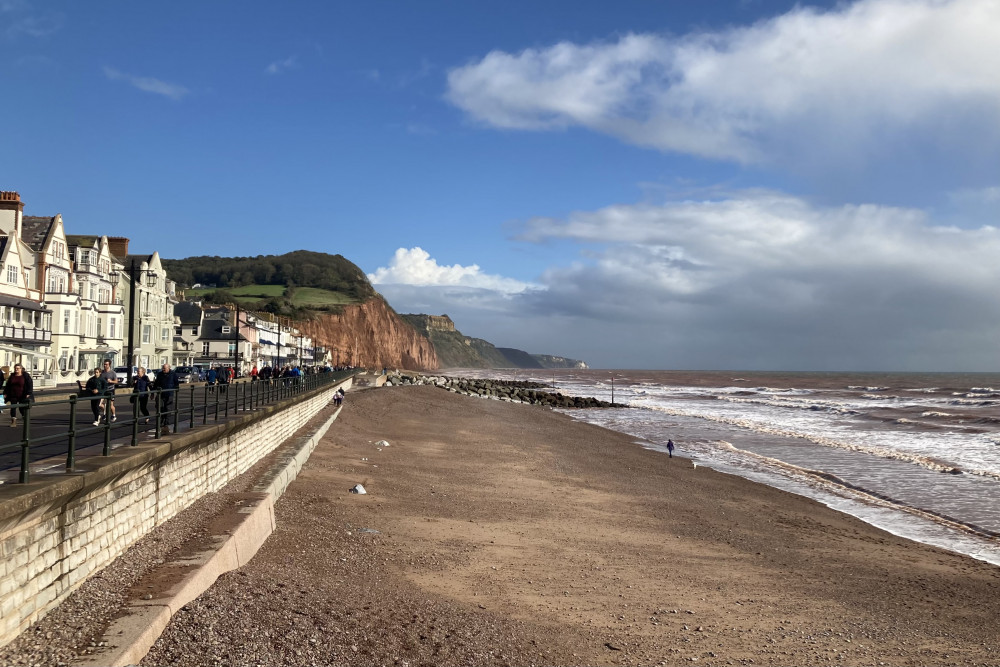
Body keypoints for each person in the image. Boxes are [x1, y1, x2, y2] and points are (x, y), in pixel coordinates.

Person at [3, 363, 34, 427]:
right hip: (13, 395)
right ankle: (13, 422)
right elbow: (8, 385)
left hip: (22, 394)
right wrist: (5, 393)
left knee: (21, 408)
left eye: (18, 368)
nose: (16, 369)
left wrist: (28, 393)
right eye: (15, 368)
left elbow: (30, 385)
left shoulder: (25, 376)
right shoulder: (12, 376)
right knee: (13, 408)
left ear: (21, 369)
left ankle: (25, 418)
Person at [154, 363, 179, 434]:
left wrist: (175, 389)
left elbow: (176, 383)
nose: (163, 369)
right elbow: (156, 383)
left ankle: (166, 423)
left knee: (168, 408)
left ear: (169, 368)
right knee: (160, 408)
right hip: (161, 394)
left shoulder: (173, 374)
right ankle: (161, 421)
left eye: (164, 368)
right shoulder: (160, 374)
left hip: (169, 394)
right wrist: (154, 391)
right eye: (163, 368)